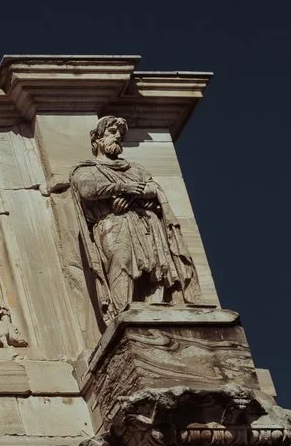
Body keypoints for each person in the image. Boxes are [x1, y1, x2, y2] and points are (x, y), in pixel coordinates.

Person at [62, 114, 195, 321]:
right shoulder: (87, 169)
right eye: (112, 132)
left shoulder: (136, 169)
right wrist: (123, 188)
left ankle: (156, 313)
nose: (117, 137)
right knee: (120, 263)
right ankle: (124, 315)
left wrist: (131, 197)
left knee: (156, 267)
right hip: (112, 224)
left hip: (146, 223)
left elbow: (153, 189)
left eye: (120, 135)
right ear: (97, 138)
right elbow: (87, 189)